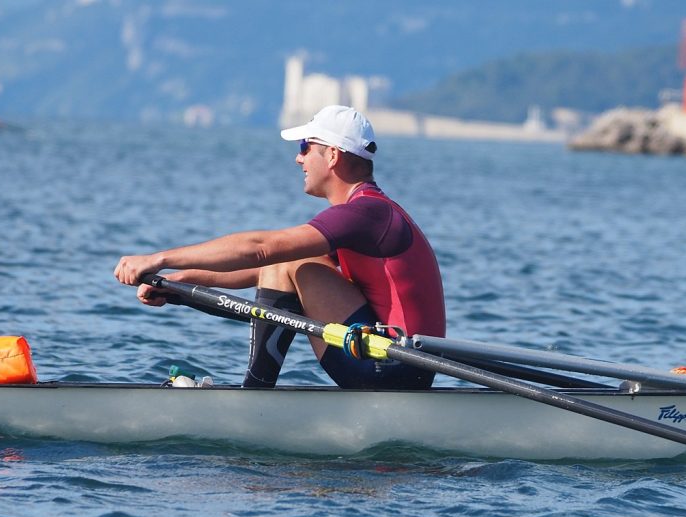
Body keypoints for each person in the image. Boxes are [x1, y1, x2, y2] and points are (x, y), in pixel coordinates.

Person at [114, 105, 445, 389]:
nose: (298, 158)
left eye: (305, 146)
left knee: (288, 258)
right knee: (291, 261)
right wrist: (180, 284)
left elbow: (262, 249)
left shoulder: (367, 214)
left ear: (332, 155)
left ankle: (255, 395)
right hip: (395, 365)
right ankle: (256, 393)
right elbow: (265, 272)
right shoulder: (369, 213)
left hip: (392, 367)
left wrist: (158, 259)